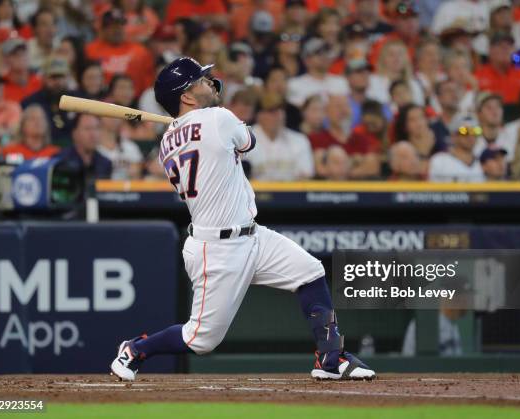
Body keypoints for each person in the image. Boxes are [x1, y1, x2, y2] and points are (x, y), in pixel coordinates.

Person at [110, 56, 375, 382]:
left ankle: (331, 358)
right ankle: (135, 349)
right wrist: (220, 125)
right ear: (187, 97)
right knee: (201, 340)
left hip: (252, 236)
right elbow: (248, 142)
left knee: (310, 272)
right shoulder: (219, 118)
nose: (211, 83)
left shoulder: (166, 142)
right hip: (217, 248)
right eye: (201, 81)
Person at [85, 8, 154, 97]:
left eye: (121, 25)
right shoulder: (90, 50)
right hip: (99, 100)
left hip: (133, 103)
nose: (117, 29)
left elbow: (147, 85)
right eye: (112, 26)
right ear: (103, 29)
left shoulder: (140, 51)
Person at [246, 93, 314, 181]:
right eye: (271, 111)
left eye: (280, 110)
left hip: (291, 193)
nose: (278, 115)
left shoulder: (299, 140)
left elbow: (306, 176)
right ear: (259, 115)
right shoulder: (244, 140)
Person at [309, 95, 378, 179]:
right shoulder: (315, 139)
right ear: (326, 112)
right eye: (338, 106)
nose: (343, 111)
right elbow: (320, 169)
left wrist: (336, 166)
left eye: (346, 106)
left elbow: (373, 167)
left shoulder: (363, 138)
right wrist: (355, 161)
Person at [22, 56, 77, 145]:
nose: (57, 82)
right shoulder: (31, 102)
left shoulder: (78, 100)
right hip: (43, 148)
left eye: (61, 77)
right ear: (44, 78)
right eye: (53, 77)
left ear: (67, 77)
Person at [474, 31, 520, 106]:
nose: (505, 48)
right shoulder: (477, 77)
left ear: (514, 50)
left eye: (509, 45)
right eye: (500, 45)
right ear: (490, 50)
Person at [286, 38, 349, 108]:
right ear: (307, 60)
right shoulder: (294, 84)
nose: (324, 56)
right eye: (318, 53)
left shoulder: (342, 81)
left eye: (326, 52)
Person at [428, 114, 485, 182]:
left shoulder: (483, 162)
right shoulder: (439, 161)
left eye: (476, 131)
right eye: (465, 131)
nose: (471, 135)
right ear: (453, 135)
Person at [57, 113, 112, 179]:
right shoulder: (61, 161)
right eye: (87, 128)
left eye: (97, 128)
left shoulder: (105, 163)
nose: (93, 134)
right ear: (74, 133)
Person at [1, 38, 43, 103]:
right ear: (5, 59)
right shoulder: (0, 85)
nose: (20, 57)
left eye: (23, 52)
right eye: (14, 54)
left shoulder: (40, 81)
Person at [430, 79, 461, 148]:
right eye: (448, 91)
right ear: (439, 98)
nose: (454, 94)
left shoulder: (469, 121)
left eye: (456, 91)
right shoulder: (433, 127)